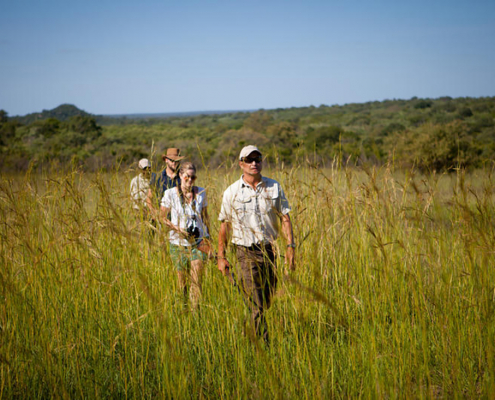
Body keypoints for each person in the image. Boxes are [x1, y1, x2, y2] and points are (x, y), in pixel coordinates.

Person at [217, 145, 295, 343]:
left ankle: (249, 334)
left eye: (257, 159)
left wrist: (290, 247)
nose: (254, 163)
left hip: (270, 250)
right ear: (241, 163)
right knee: (256, 304)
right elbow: (225, 225)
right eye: (249, 160)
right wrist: (221, 256)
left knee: (267, 301)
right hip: (245, 252)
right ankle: (262, 346)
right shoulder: (231, 192)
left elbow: (285, 218)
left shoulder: (274, 187)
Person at [160, 162, 211, 310]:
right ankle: (183, 312)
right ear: (180, 176)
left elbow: (205, 217)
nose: (190, 180)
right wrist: (178, 230)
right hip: (177, 243)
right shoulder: (170, 193)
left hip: (198, 243)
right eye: (187, 177)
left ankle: (196, 314)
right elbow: (162, 217)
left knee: (196, 282)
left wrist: (209, 237)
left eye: (193, 177)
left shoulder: (201, 192)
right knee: (181, 284)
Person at [147, 148, 185, 218]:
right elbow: (149, 198)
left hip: (179, 219)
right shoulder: (157, 177)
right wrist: (154, 212)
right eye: (172, 160)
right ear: (166, 160)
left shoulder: (184, 177)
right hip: (161, 218)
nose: (174, 163)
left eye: (177, 161)